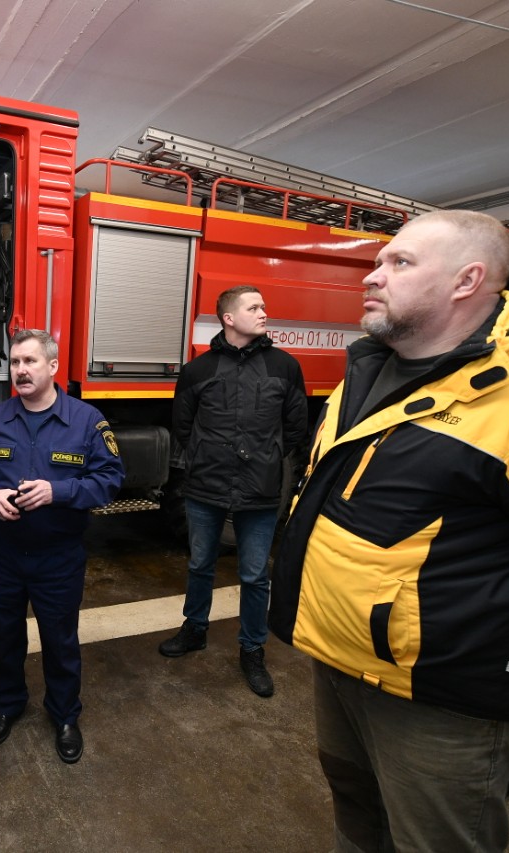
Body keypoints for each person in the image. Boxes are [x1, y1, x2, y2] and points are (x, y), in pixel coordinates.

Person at [267, 210, 509, 852]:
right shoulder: (367, 371)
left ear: (468, 280)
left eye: (399, 263)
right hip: (339, 662)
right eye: (380, 260)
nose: (372, 275)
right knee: (358, 817)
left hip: (445, 697)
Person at [0, 329, 125, 764]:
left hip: (59, 556)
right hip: (5, 555)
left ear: (53, 366)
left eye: (30, 361)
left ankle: (65, 715)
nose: (21, 370)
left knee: (60, 639)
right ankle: (9, 704)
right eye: (15, 362)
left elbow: (109, 481)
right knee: (5, 636)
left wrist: (59, 492)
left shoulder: (88, 421)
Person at [157, 285, 307, 699]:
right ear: (228, 318)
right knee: (200, 564)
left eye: (263, 304)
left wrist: (268, 458)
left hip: (260, 490)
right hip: (206, 487)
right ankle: (194, 629)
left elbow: (296, 428)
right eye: (254, 306)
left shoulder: (285, 367)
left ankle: (252, 649)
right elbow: (182, 428)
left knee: (256, 575)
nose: (264, 312)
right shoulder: (198, 371)